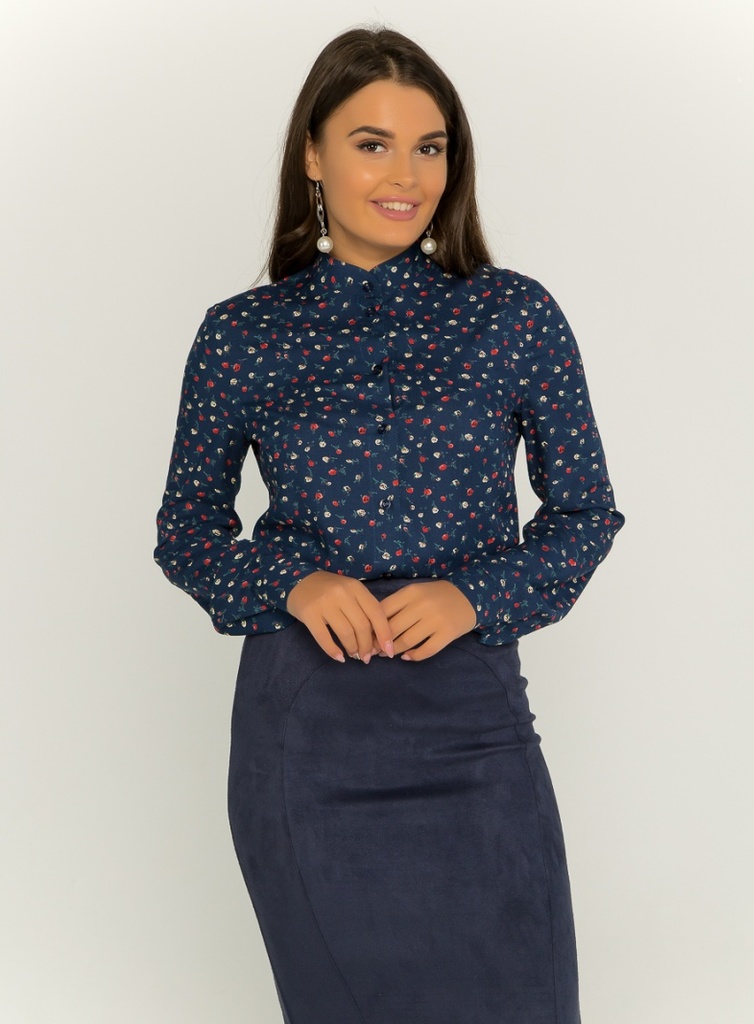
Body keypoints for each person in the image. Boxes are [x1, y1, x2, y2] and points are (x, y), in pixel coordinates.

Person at [153, 25, 624, 1024]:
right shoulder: (242, 335)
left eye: (430, 146)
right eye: (372, 144)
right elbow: (187, 531)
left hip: (475, 731)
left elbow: (585, 514)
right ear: (313, 157)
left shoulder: (513, 317)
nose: (407, 175)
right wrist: (291, 583)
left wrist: (472, 596)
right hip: (304, 739)